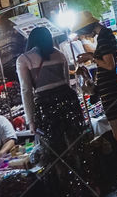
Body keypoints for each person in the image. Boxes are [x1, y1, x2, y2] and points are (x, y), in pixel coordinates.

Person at [16, 27, 94, 195]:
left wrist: (30, 120)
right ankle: (85, 187)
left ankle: (63, 189)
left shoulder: (24, 59)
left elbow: (26, 90)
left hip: (46, 107)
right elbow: (66, 81)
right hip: (68, 102)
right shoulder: (60, 54)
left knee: (53, 153)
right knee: (75, 146)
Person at [73, 12, 117, 193]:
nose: (83, 35)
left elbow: (110, 65)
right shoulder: (104, 36)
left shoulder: (104, 37)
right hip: (109, 91)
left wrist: (90, 57)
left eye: (82, 31)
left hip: (111, 93)